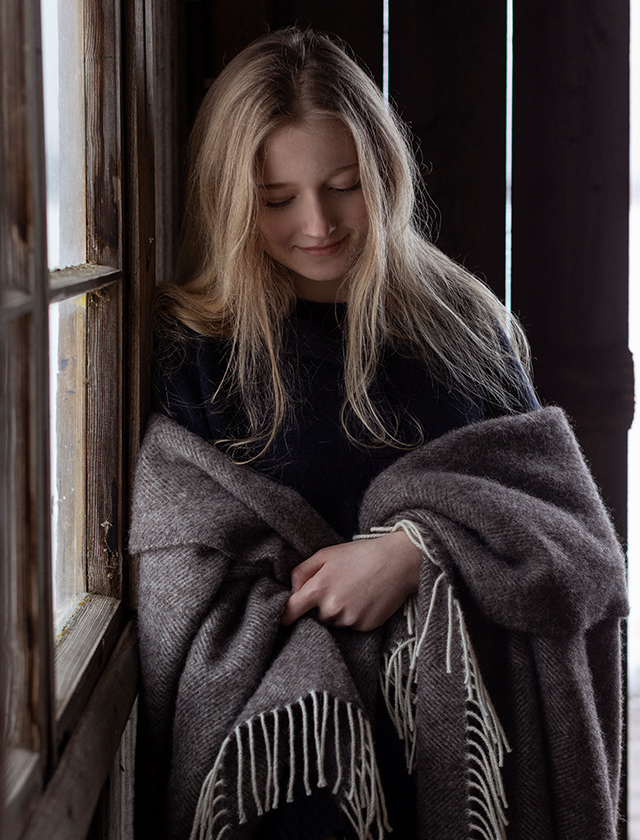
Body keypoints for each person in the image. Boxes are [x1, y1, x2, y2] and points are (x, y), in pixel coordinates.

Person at [130, 27, 628, 840]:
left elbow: (576, 540)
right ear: (229, 199)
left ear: (386, 175)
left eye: (344, 184)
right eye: (277, 199)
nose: (317, 223)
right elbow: (185, 563)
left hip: (478, 757)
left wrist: (417, 550)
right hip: (306, 772)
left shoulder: (465, 327)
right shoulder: (198, 348)